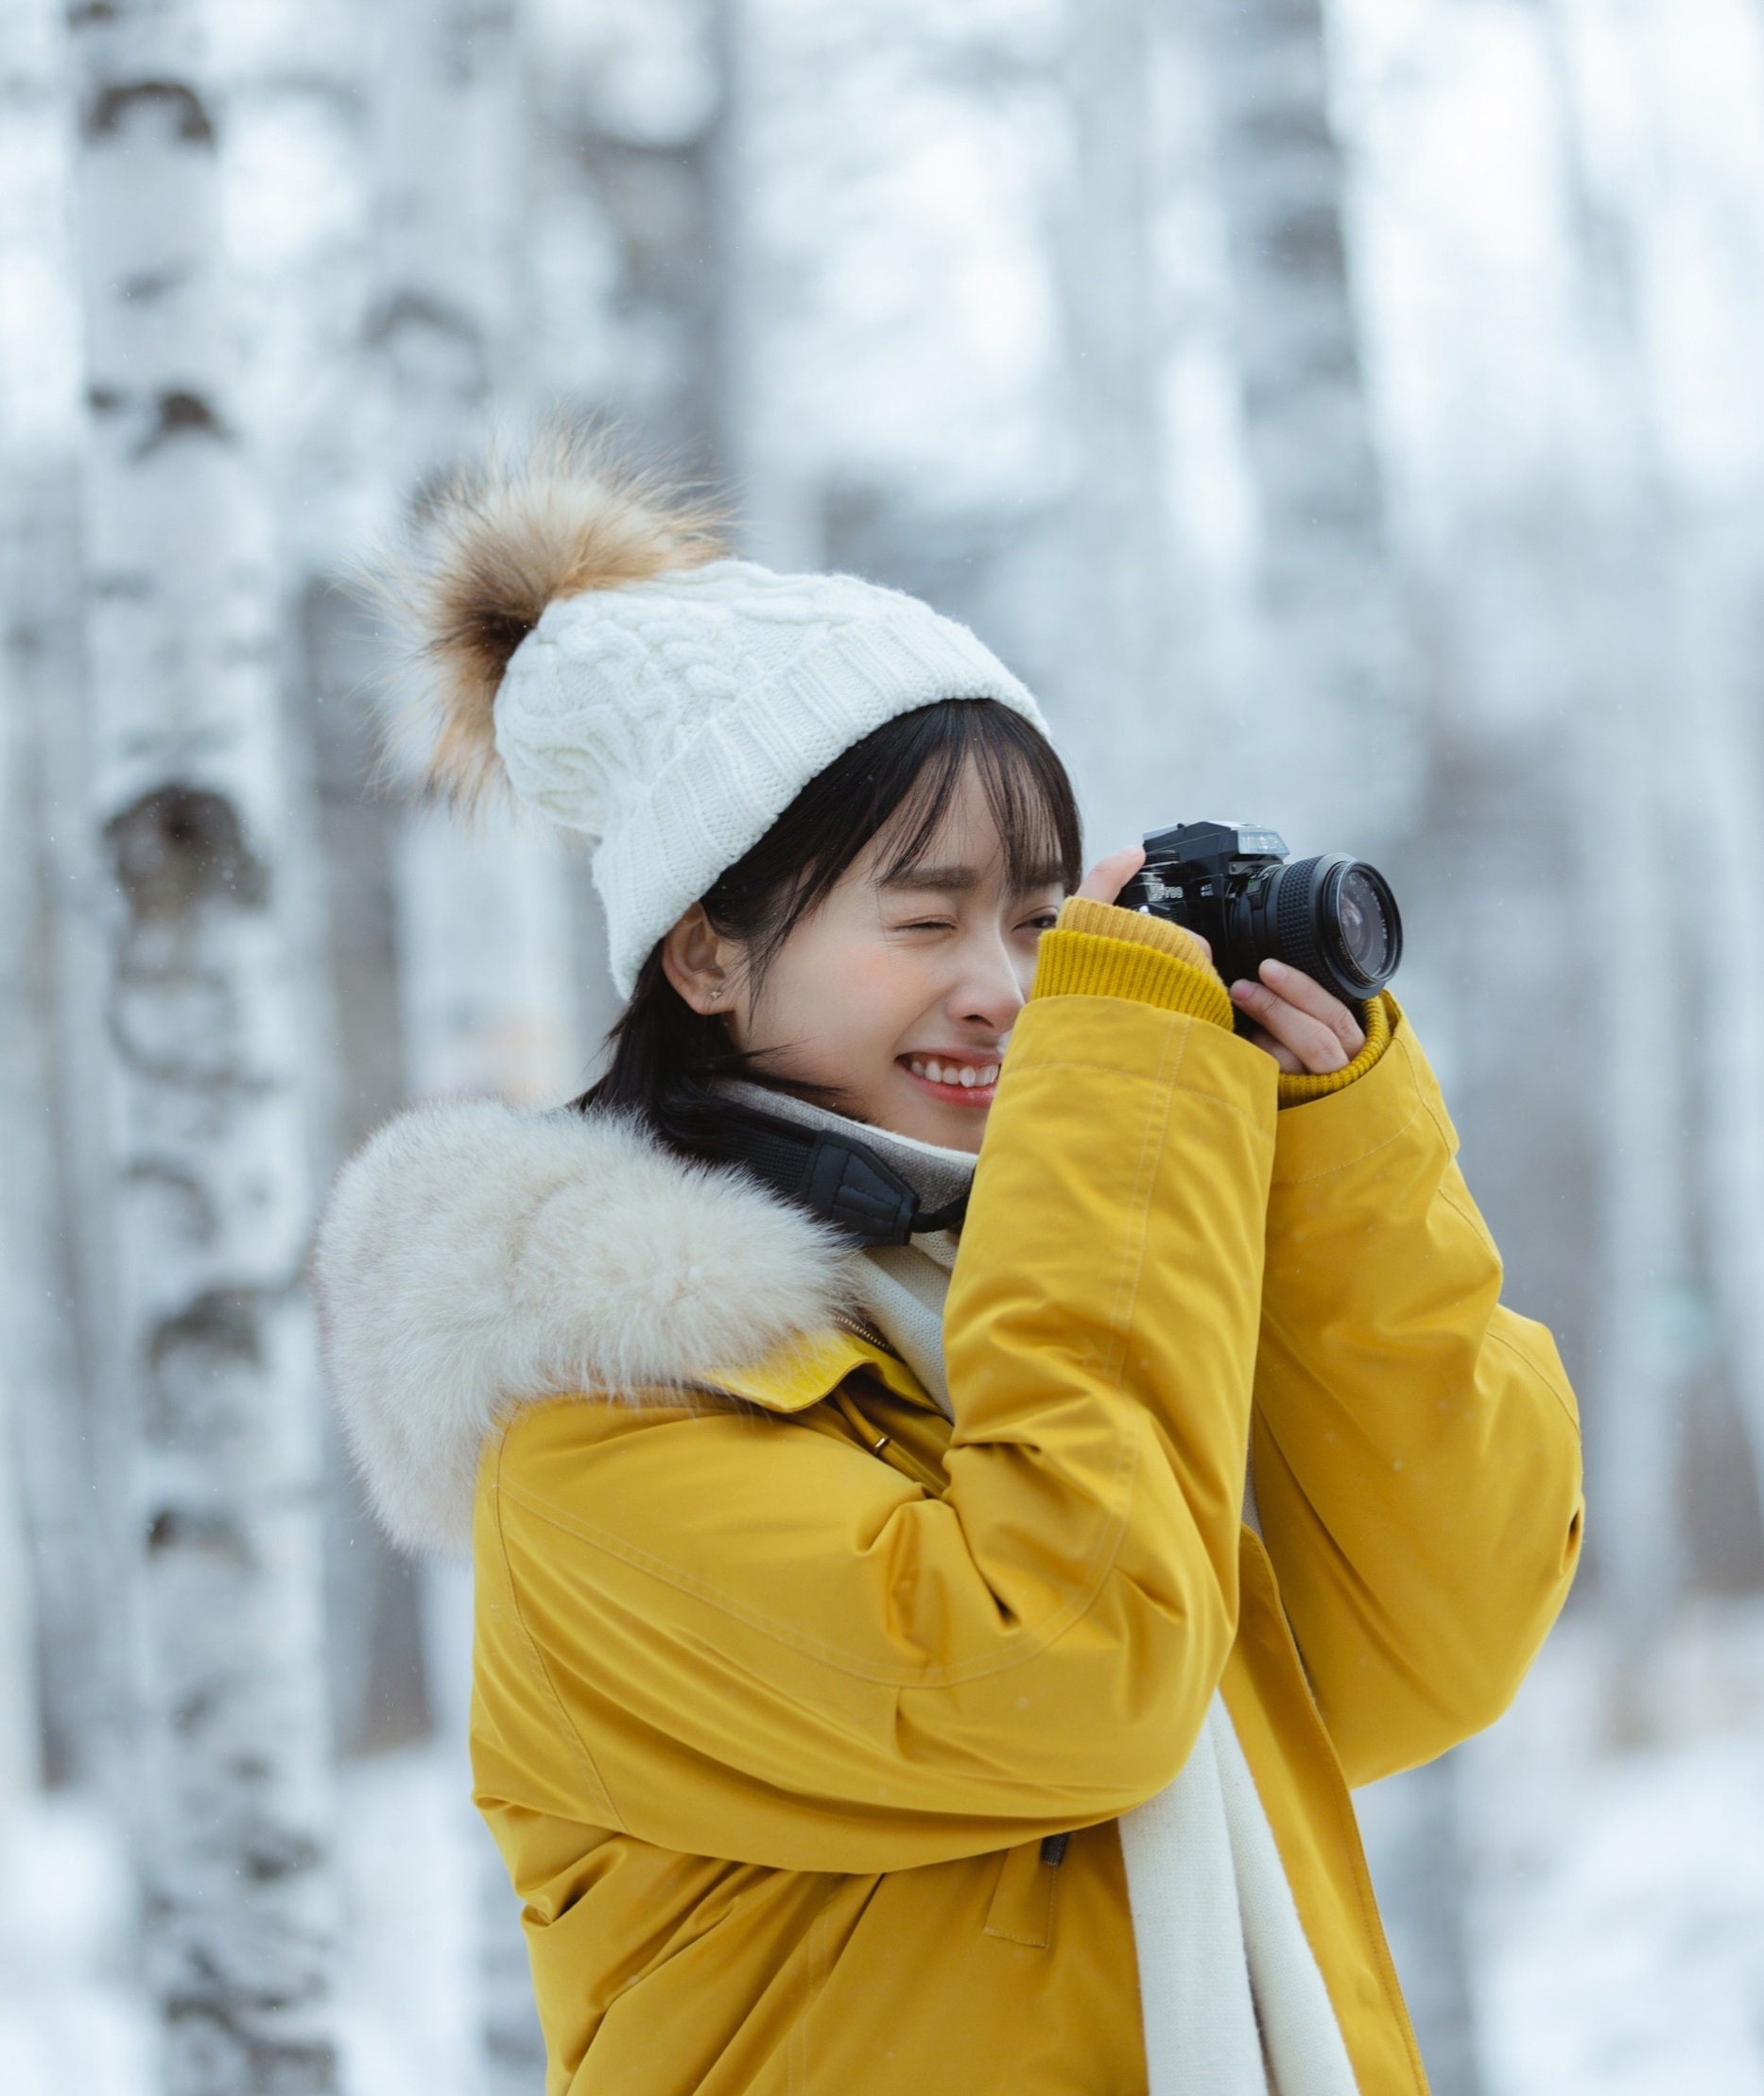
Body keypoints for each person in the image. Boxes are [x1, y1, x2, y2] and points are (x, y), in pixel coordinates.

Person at [314, 434, 1583, 2096]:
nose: (1006, 987)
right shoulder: (598, 1437)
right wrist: (1125, 1097)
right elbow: (1070, 1669)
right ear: (706, 949)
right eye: (923, 921)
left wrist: (1326, 1141)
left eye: (1047, 921)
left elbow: (1429, 1641)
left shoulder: (1058, 1302)